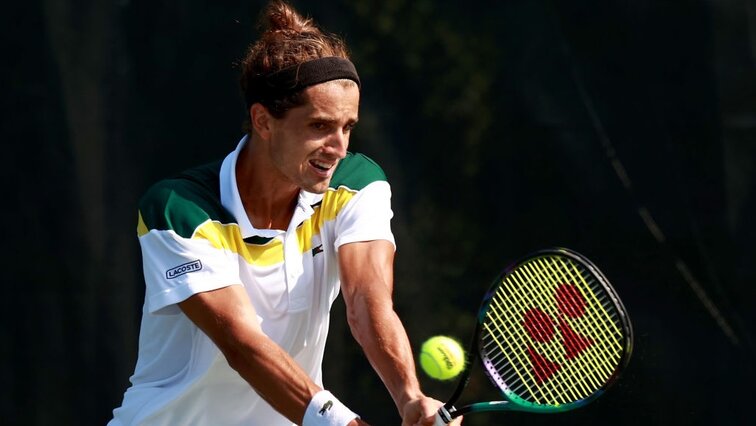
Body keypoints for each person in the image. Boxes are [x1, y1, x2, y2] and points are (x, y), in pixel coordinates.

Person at [109, 2, 461, 425]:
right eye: (319, 126)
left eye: (347, 127)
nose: (339, 148)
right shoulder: (180, 210)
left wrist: (409, 397)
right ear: (263, 121)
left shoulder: (356, 185)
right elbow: (242, 344)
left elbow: (367, 303)